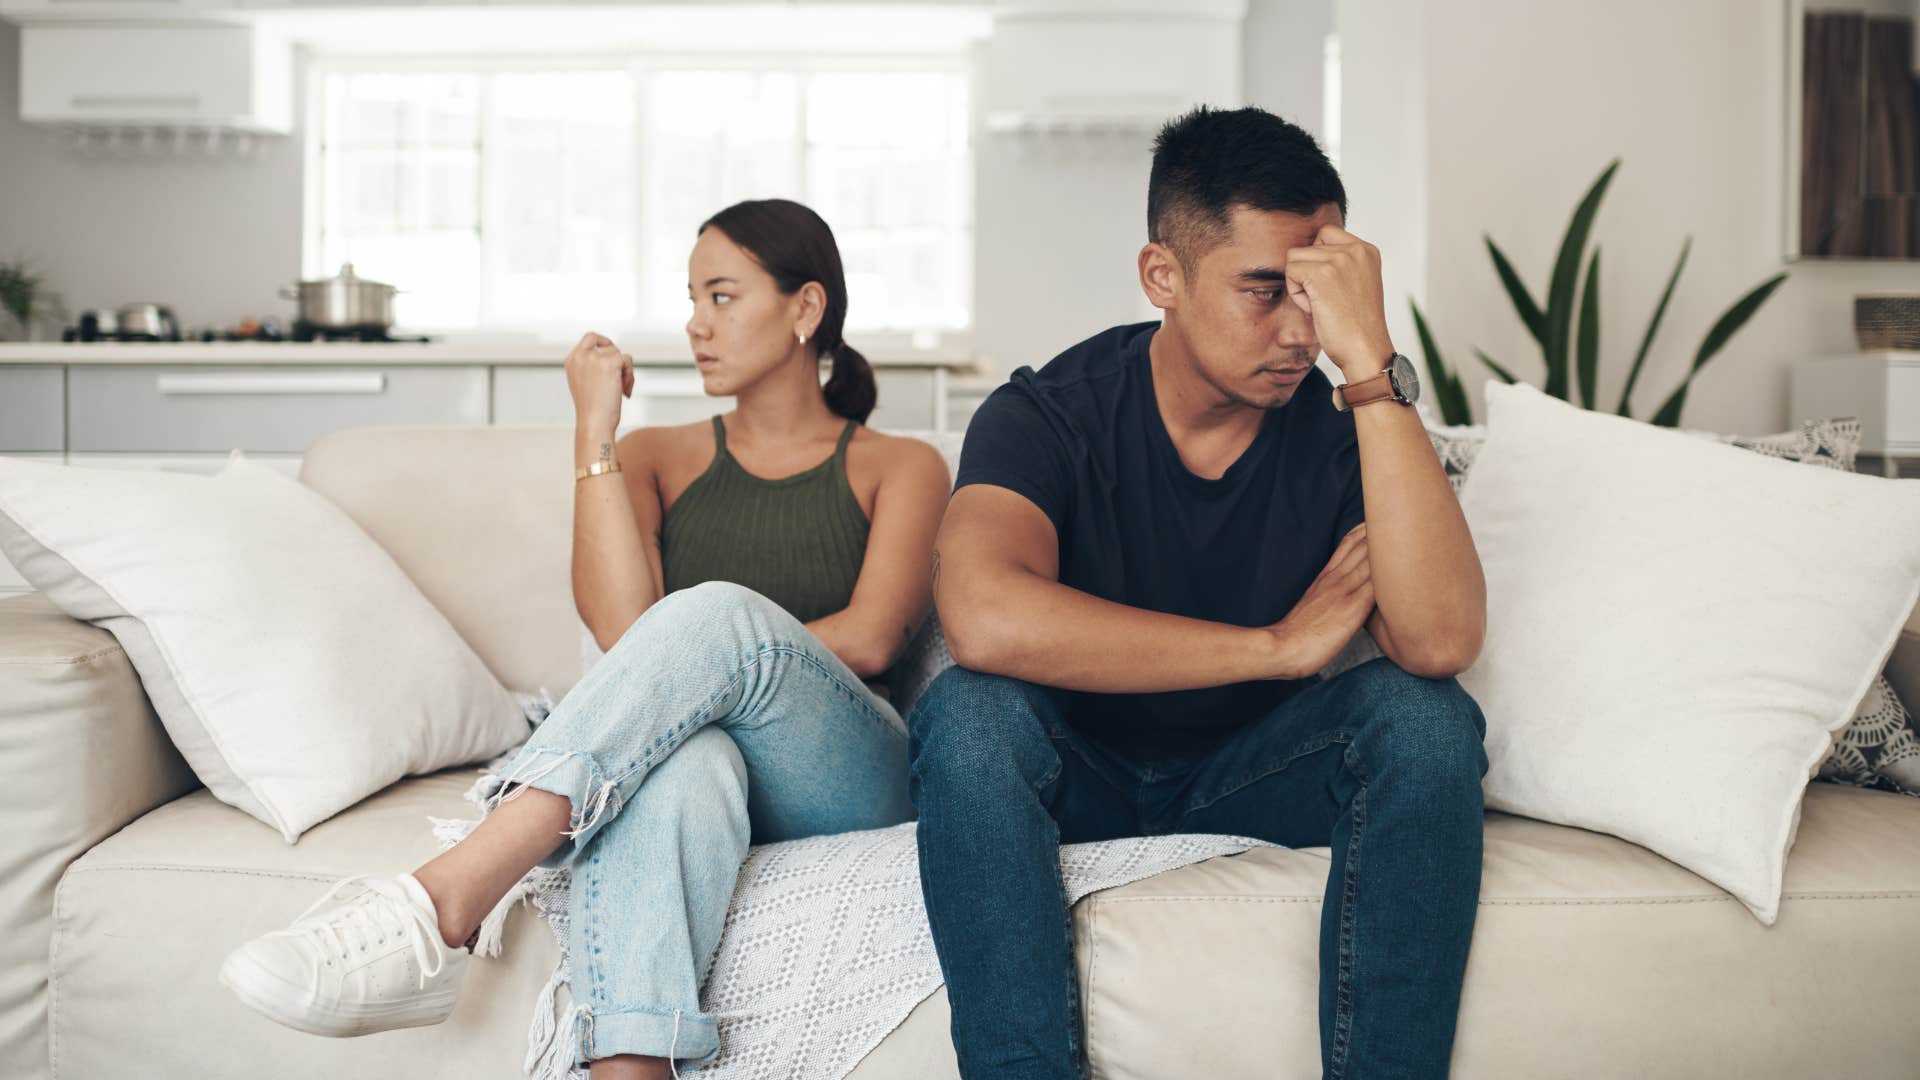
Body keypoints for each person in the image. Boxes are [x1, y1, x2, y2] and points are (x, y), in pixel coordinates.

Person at [220, 198, 951, 1080]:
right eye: (690, 299)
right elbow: (624, 631)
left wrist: (729, 653)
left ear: (805, 310)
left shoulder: (901, 463)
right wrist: (593, 432)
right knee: (681, 762)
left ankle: (444, 898)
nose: (694, 324)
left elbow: (873, 639)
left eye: (721, 297)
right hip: (700, 757)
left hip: (845, 771)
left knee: (714, 618)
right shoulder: (651, 456)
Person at [908, 106, 1490, 1080]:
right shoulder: (1047, 413)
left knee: (1423, 717)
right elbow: (984, 617)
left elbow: (1438, 641)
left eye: (1317, 293)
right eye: (1266, 290)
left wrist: (1372, 368)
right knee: (968, 716)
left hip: (1257, 772)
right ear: (1161, 277)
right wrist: (1275, 647)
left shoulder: (1350, 424)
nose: (1299, 329)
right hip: (1075, 769)